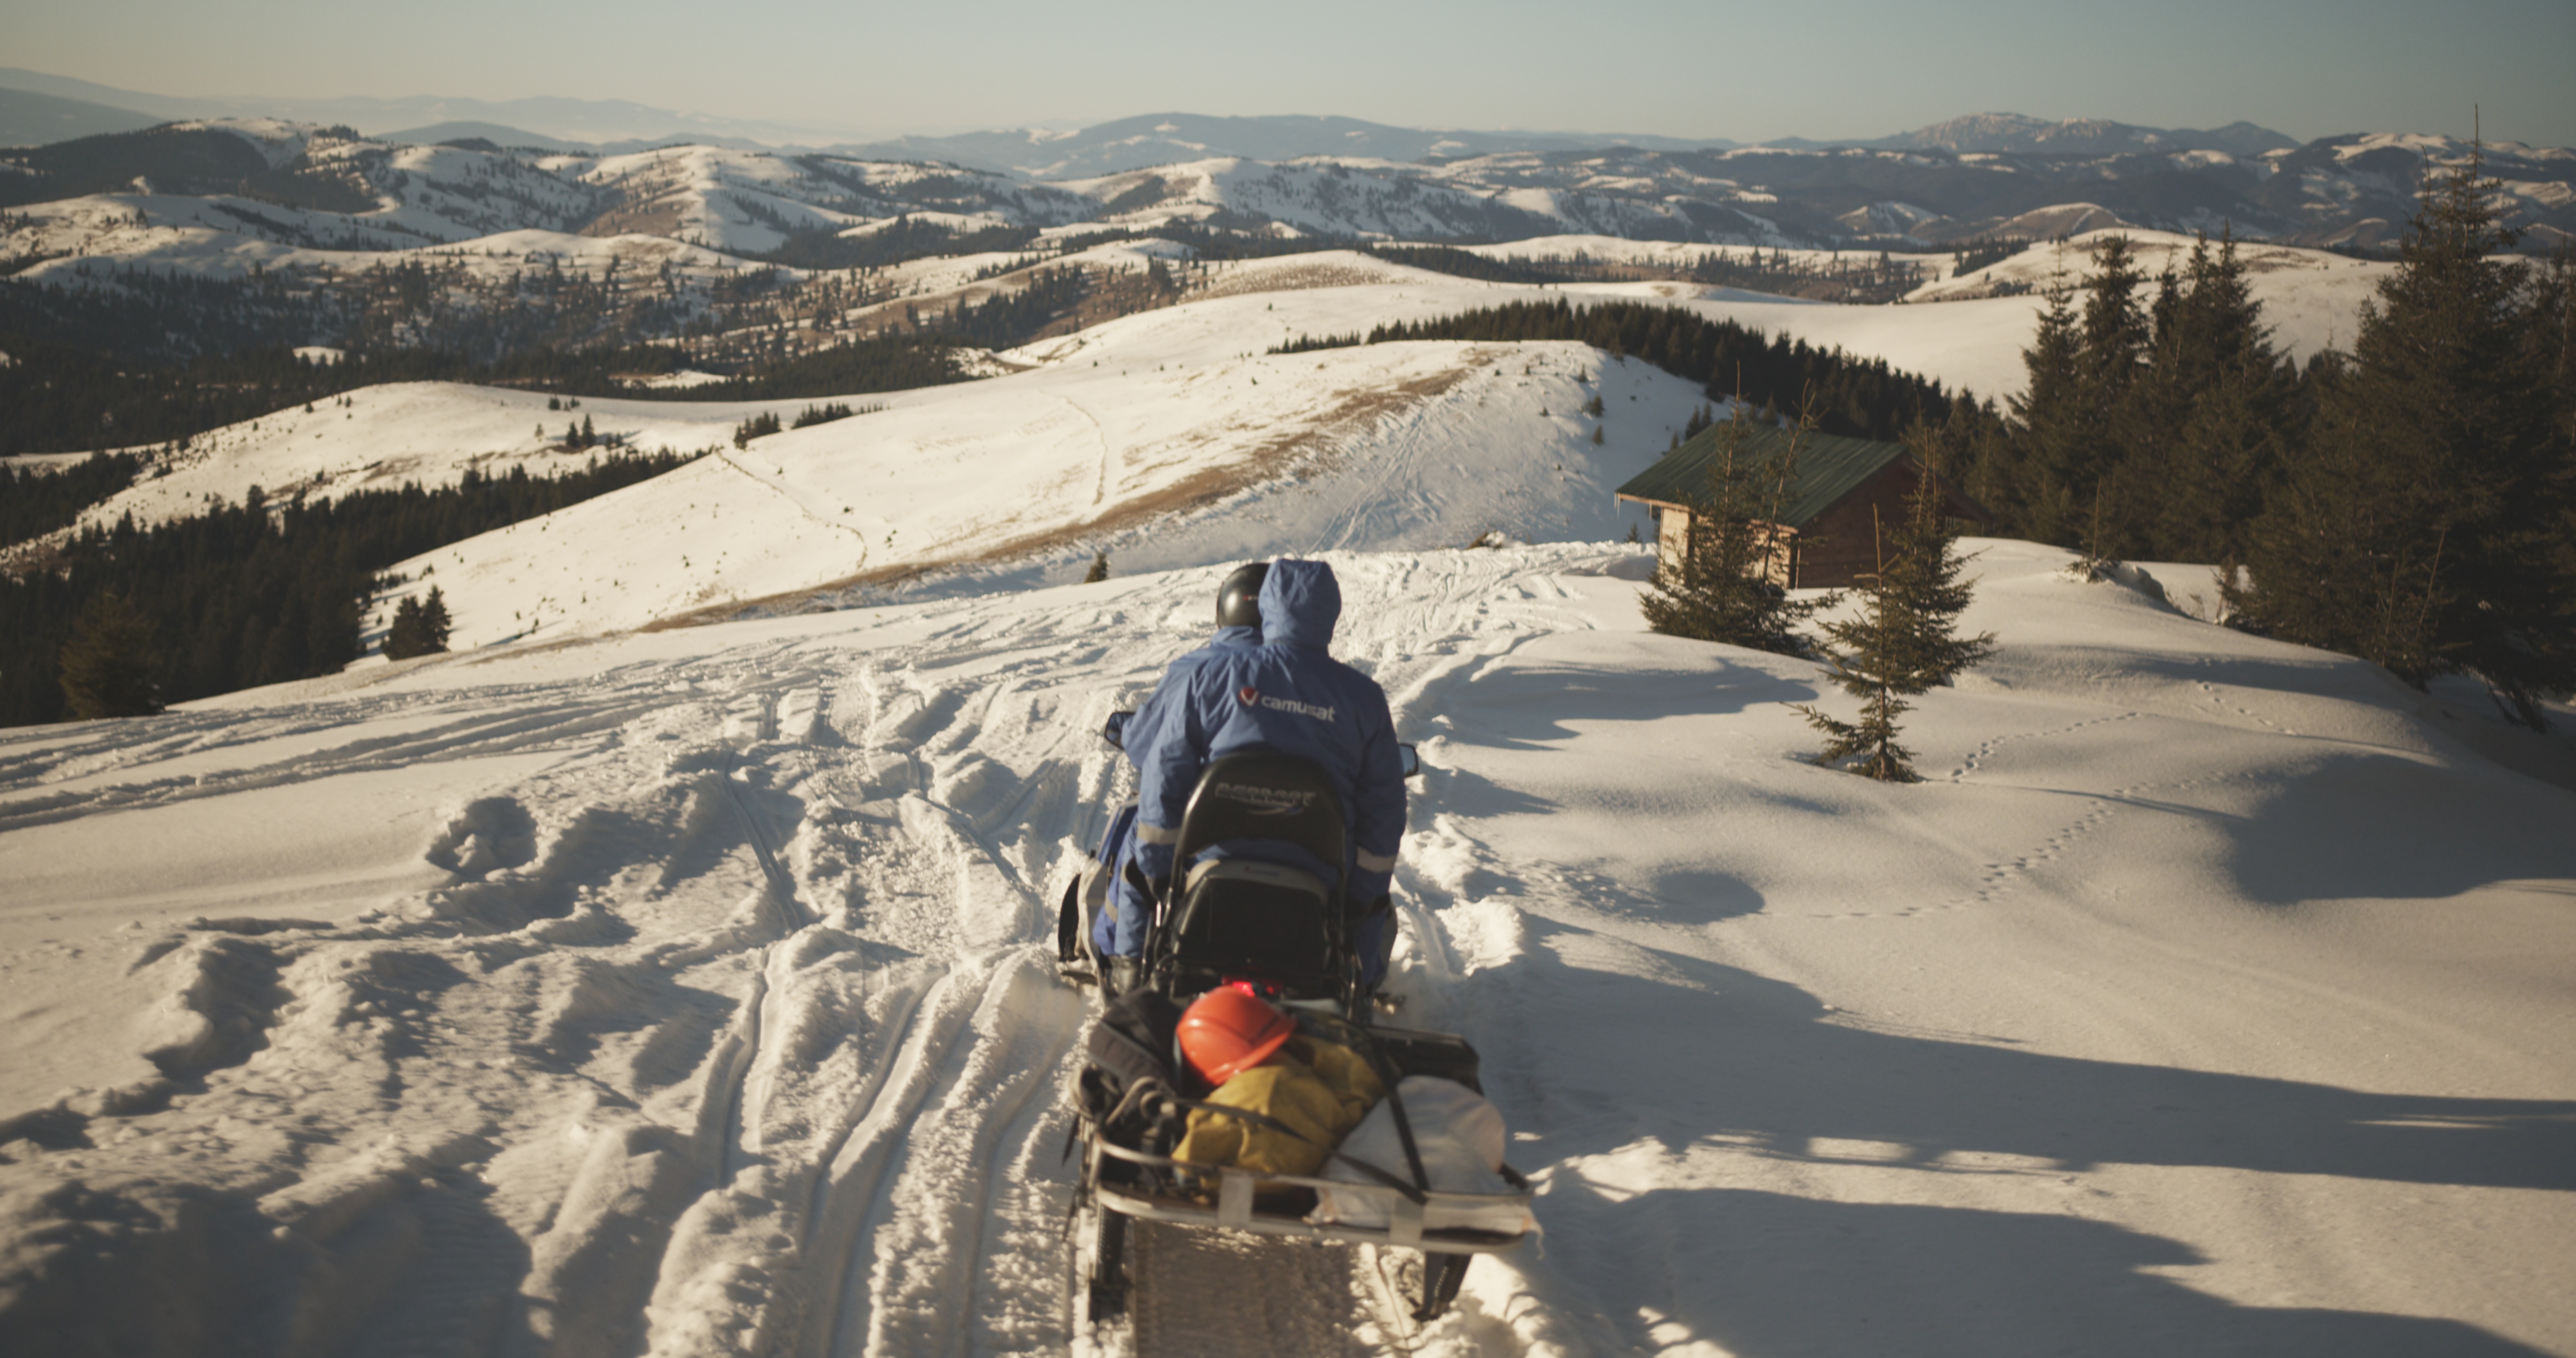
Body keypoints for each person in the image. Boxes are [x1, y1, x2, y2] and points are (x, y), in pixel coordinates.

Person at [1108, 558, 1406, 989]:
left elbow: (1165, 774)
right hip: (1319, 881)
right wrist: (1361, 898)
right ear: (1331, 616)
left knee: (1138, 845)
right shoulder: (1364, 700)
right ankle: (1357, 989)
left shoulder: (1212, 677)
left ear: (1267, 607)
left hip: (1212, 865)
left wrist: (1157, 873)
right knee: (1373, 916)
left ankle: (1129, 973)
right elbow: (1383, 812)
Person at [1086, 562, 1271, 984]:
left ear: (1223, 614)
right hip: (1299, 837)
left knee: (1140, 837)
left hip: (1204, 839)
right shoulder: (1314, 681)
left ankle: (1124, 962)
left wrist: (1131, 731)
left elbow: (1146, 747)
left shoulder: (1195, 671)